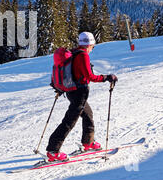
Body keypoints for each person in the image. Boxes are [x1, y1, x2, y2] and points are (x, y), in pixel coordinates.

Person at [46, 32, 118, 162]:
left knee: (87, 114)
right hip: (79, 92)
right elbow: (90, 76)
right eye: (93, 46)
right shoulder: (83, 55)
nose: (92, 49)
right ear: (89, 44)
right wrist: (107, 77)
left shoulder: (74, 52)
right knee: (69, 121)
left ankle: (88, 142)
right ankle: (53, 150)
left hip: (72, 91)